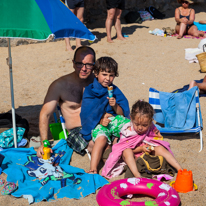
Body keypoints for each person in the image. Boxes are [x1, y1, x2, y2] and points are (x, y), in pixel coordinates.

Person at [37, 46, 96, 158]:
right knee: (96, 144)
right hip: (77, 131)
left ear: (94, 65)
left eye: (88, 65)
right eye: (79, 64)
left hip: (98, 126)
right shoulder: (60, 85)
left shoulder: (99, 82)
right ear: (73, 63)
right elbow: (45, 114)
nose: (83, 68)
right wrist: (44, 143)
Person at [102, 100, 182, 179]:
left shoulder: (152, 129)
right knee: (127, 151)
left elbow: (157, 141)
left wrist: (150, 148)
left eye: (144, 125)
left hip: (148, 157)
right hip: (133, 159)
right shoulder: (128, 131)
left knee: (160, 148)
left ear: (150, 121)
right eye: (137, 124)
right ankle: (137, 174)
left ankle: (179, 169)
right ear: (131, 119)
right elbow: (123, 149)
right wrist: (141, 148)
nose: (140, 128)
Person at [80, 57, 130, 174]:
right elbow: (87, 113)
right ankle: (93, 168)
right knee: (101, 139)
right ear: (96, 73)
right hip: (99, 125)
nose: (108, 79)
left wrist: (115, 106)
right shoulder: (90, 91)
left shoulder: (115, 90)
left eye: (111, 75)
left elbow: (123, 114)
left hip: (114, 122)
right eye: (104, 74)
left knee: (129, 127)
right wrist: (100, 119)